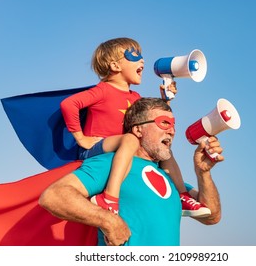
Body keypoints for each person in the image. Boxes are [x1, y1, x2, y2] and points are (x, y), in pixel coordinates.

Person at [39, 97, 223, 246]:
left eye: (173, 125)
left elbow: (212, 216)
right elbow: (54, 196)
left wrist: (203, 173)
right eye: (164, 123)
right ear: (138, 129)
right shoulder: (112, 163)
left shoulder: (172, 179)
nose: (172, 131)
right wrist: (108, 220)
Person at [60, 37, 210, 217]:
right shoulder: (103, 90)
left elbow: (148, 120)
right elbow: (69, 104)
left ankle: (182, 196)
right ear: (115, 66)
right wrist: (81, 138)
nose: (142, 60)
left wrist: (165, 100)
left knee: (164, 149)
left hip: (125, 147)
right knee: (131, 139)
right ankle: (109, 197)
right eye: (133, 55)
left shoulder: (136, 97)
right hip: (97, 148)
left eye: (141, 55)